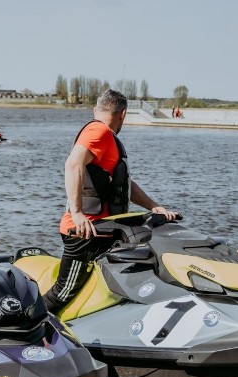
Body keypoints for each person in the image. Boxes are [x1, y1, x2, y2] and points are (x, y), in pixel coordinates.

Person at [43, 89, 179, 312]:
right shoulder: (99, 131)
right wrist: (77, 213)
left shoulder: (105, 137)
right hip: (85, 232)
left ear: (95, 109)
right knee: (63, 292)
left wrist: (154, 207)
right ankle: (21, 327)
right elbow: (73, 164)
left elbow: (124, 186)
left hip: (104, 231)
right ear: (123, 114)